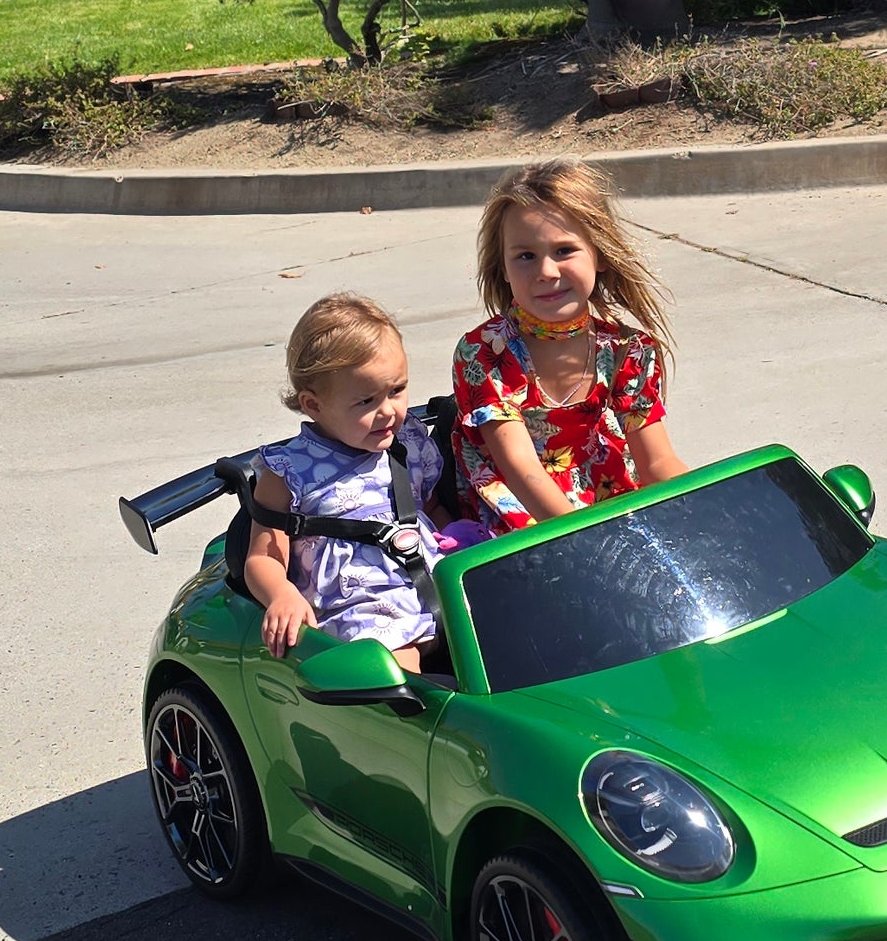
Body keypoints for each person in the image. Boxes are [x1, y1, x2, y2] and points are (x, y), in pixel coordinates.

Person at [452, 160, 688, 535]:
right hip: (526, 516)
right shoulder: (483, 353)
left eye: (564, 250)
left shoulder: (629, 350)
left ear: (601, 255)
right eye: (525, 256)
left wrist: (705, 507)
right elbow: (522, 471)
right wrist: (589, 539)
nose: (546, 271)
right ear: (502, 268)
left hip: (608, 497)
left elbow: (657, 463)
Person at [245, 291, 463, 667]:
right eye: (366, 402)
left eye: (397, 390)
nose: (389, 411)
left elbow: (427, 506)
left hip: (433, 583)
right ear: (314, 405)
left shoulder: (407, 441)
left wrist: (457, 540)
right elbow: (263, 556)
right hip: (365, 607)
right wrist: (280, 594)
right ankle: (402, 722)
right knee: (393, 664)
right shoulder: (288, 472)